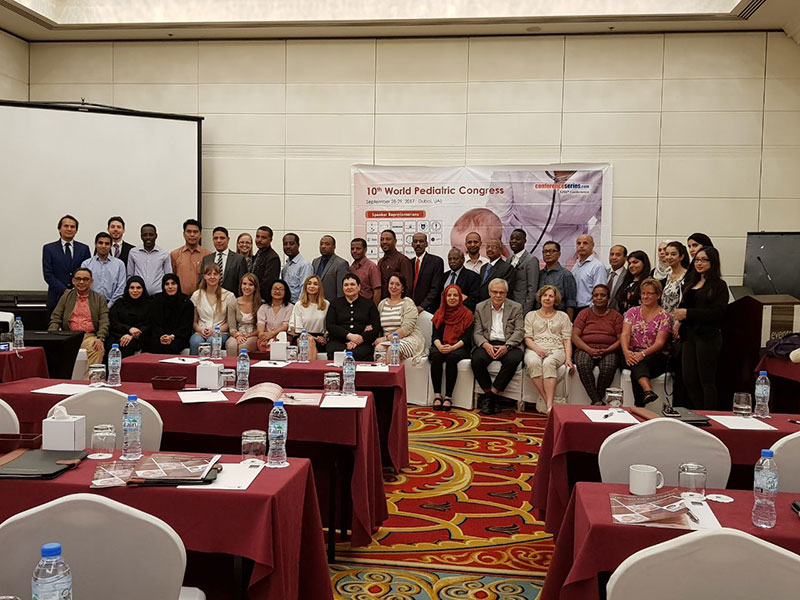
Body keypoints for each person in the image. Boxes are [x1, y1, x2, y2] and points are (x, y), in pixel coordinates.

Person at [673, 247, 729, 410]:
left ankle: (710, 414)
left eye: (704, 260)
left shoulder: (719, 285)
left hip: (708, 336)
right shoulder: (691, 282)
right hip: (689, 335)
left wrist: (688, 314)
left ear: (713, 262)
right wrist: (678, 321)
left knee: (706, 380)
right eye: (697, 260)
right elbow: (684, 306)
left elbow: (718, 312)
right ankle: (699, 411)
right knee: (689, 378)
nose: (699, 263)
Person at [471, 278, 524, 415]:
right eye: (495, 292)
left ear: (506, 293)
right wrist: (486, 345)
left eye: (502, 292)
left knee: (513, 359)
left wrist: (507, 346)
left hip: (509, 343)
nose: (498, 295)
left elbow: (519, 331)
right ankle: (490, 395)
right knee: (477, 359)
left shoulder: (516, 307)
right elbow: (477, 332)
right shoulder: (480, 307)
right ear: (489, 292)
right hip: (487, 342)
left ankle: (491, 397)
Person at [47, 267, 109, 378]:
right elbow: (56, 318)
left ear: (91, 282)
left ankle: (87, 383)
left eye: (85, 279)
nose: (81, 282)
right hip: (68, 336)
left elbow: (104, 321)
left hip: (88, 336)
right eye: (78, 279)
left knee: (97, 348)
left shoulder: (99, 299)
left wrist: (100, 337)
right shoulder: (66, 297)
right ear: (73, 281)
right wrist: (52, 336)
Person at [620, 278, 672, 407]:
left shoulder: (665, 316)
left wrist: (642, 354)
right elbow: (625, 334)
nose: (645, 296)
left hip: (655, 355)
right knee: (635, 362)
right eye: (643, 293)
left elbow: (659, 343)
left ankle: (640, 406)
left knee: (638, 365)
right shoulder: (632, 312)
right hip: (631, 353)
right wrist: (626, 351)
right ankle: (648, 391)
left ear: (658, 295)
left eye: (649, 293)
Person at [524, 285, 574, 414]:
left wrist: (568, 358)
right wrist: (537, 349)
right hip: (534, 348)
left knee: (548, 363)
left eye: (551, 296)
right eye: (545, 295)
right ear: (540, 297)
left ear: (555, 299)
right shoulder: (531, 315)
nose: (547, 298)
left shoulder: (563, 316)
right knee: (533, 362)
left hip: (557, 350)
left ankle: (550, 404)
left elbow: (567, 339)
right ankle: (548, 403)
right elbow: (528, 338)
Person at [572, 284, 623, 405]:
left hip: (609, 350)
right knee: (583, 364)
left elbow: (621, 339)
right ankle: (597, 400)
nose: (599, 298)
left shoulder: (616, 316)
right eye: (596, 295)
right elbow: (574, 336)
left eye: (603, 295)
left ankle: (596, 400)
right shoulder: (584, 313)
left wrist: (607, 350)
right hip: (585, 349)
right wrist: (589, 350)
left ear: (608, 298)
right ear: (592, 297)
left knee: (609, 366)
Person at [429, 284, 474, 411]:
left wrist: (452, 348)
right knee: (436, 356)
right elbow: (435, 336)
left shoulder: (467, 314)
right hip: (441, 345)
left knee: (451, 358)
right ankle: (437, 395)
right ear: (444, 297)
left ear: (460, 297)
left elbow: (466, 338)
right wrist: (440, 346)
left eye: (455, 295)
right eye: (449, 295)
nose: (452, 298)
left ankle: (448, 397)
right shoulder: (439, 313)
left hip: (460, 347)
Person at [326, 273, 382, 360]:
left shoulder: (369, 304)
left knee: (359, 354)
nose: (349, 287)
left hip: (362, 343)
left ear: (359, 287)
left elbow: (375, 327)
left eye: (352, 284)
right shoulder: (335, 303)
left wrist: (360, 339)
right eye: (346, 285)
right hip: (338, 341)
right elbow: (330, 326)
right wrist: (349, 336)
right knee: (336, 353)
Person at [43, 214, 91, 313]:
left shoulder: (84, 249)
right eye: (66, 226)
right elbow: (48, 274)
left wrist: (77, 289)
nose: (69, 229)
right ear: (59, 229)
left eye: (72, 227)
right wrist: (65, 290)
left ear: (76, 230)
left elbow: (87, 273)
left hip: (80, 296)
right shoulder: (49, 249)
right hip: (56, 297)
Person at [374, 272, 426, 363]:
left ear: (402, 288)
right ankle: (382, 373)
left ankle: (393, 373)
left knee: (393, 349)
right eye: (391, 283)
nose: (393, 287)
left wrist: (386, 338)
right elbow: (377, 323)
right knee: (379, 349)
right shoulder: (382, 304)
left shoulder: (408, 303)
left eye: (397, 284)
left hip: (407, 339)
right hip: (388, 340)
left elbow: (407, 328)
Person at [189, 263, 235, 355]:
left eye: (215, 274)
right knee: (196, 342)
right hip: (200, 331)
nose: (212, 277)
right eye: (209, 274)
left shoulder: (229, 296)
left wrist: (215, 331)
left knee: (212, 341)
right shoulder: (197, 295)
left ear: (220, 276)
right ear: (204, 276)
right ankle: (193, 364)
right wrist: (200, 330)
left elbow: (229, 322)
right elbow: (194, 322)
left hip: (221, 332)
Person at [106, 276, 152, 358]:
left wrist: (132, 335)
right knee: (110, 346)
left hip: (140, 336)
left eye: (138, 288)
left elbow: (149, 324)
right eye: (132, 288)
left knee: (127, 345)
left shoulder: (149, 304)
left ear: (143, 289)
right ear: (127, 289)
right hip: (118, 334)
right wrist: (129, 329)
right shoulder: (119, 303)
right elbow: (113, 321)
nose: (135, 291)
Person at [147, 273, 194, 355]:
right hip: (160, 336)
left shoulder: (186, 303)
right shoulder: (157, 301)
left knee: (171, 347)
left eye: (173, 283)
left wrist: (172, 336)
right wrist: (162, 336)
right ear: (163, 286)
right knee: (153, 345)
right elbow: (155, 324)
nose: (170, 287)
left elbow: (185, 327)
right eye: (167, 284)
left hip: (179, 337)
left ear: (178, 285)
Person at [287, 274, 329, 360]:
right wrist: (315, 339)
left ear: (319, 287)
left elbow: (329, 325)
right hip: (302, 336)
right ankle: (310, 366)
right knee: (309, 340)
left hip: (321, 339)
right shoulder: (299, 305)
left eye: (315, 284)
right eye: (309, 284)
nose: (312, 286)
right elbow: (298, 330)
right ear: (305, 287)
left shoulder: (326, 304)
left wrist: (324, 338)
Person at [81, 232, 126, 307]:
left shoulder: (119, 264)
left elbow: (121, 288)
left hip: (113, 306)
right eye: (100, 243)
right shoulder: (86, 264)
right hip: (90, 305)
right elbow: (83, 286)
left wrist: (109, 306)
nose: (103, 246)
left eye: (107, 244)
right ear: (95, 244)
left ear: (111, 246)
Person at [127, 224, 172, 297]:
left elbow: (168, 277)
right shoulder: (133, 252)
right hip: (139, 296)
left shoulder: (164, 254)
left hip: (159, 296)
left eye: (151, 235)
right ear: (141, 236)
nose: (148, 237)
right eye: (145, 235)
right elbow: (130, 275)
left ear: (156, 236)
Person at [201, 226, 248, 296]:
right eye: (216, 238)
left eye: (222, 238)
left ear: (228, 239)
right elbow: (202, 282)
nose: (219, 241)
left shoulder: (239, 259)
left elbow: (243, 283)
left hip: (232, 299)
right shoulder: (206, 259)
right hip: (210, 298)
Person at [225, 272, 262, 356]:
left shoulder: (261, 304)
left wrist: (248, 335)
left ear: (255, 288)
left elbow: (261, 329)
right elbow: (232, 327)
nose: (247, 287)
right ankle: (231, 365)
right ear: (241, 286)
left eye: (250, 284)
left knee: (243, 346)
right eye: (244, 284)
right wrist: (237, 335)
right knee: (231, 345)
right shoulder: (233, 303)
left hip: (253, 334)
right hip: (238, 334)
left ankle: (244, 364)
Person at [171, 219, 211, 296]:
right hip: (180, 298)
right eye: (189, 231)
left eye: (195, 232)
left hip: (201, 297)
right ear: (183, 234)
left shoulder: (208, 255)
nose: (192, 235)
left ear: (200, 234)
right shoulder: (174, 254)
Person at [538, 241, 577, 319]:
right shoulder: (539, 274)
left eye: (552, 251)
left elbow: (570, 302)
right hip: (540, 317)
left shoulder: (566, 275)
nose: (548, 254)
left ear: (559, 254)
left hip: (559, 318)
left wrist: (568, 322)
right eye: (545, 251)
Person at [570, 234, 606, 314]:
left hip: (589, 309)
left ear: (592, 245)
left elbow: (600, 292)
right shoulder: (575, 266)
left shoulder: (597, 266)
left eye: (585, 243)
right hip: (574, 309)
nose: (581, 246)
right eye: (579, 243)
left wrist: (592, 310)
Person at [256, 279, 294, 352]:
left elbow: (286, 326)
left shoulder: (290, 307)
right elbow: (260, 324)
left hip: (283, 338)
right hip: (266, 338)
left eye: (281, 289)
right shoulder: (263, 307)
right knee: (262, 345)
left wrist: (272, 334)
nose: (277, 291)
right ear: (270, 291)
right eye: (275, 289)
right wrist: (262, 336)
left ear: (285, 292)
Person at [410, 233, 444, 314]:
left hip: (429, 310)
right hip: (411, 309)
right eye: (415, 241)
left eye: (421, 241)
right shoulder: (409, 263)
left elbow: (436, 288)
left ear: (426, 244)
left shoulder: (436, 262)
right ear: (412, 244)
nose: (418, 244)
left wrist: (423, 306)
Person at [508, 228, 539, 314]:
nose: (513, 241)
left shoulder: (531, 260)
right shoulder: (509, 259)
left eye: (517, 239)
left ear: (524, 241)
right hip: (509, 305)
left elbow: (532, 289)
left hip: (522, 306)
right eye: (511, 239)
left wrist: (525, 311)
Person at [377, 230, 414, 300]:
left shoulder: (402, 260)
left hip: (398, 302)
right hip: (384, 302)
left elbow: (408, 286)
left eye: (388, 239)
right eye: (382, 239)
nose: (384, 242)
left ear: (395, 241)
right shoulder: (380, 262)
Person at [312, 235, 349, 301]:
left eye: (327, 244)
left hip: (332, 303)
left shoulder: (341, 264)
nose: (323, 246)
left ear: (334, 247)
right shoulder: (315, 262)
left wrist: (339, 304)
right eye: (321, 244)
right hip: (315, 301)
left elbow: (341, 290)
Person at [615, 250, 652, 315]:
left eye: (635, 262)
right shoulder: (627, 282)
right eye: (629, 263)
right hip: (624, 319)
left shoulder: (649, 283)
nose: (631, 266)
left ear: (644, 263)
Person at [281, 233, 313, 303]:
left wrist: (298, 307)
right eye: (285, 244)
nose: (288, 246)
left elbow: (304, 290)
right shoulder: (285, 267)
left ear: (298, 245)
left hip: (297, 305)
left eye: (291, 244)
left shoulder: (305, 265)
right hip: (286, 305)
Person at [252, 225, 281, 300]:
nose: (259, 240)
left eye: (263, 238)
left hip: (262, 299)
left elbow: (268, 284)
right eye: (257, 236)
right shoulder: (259, 253)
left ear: (270, 240)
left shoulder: (273, 258)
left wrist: (255, 295)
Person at [349, 237, 381, 304]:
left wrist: (374, 308)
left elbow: (377, 291)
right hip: (352, 305)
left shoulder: (372, 267)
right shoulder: (351, 268)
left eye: (358, 248)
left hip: (367, 305)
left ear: (365, 250)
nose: (354, 251)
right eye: (352, 249)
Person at [660, 241, 690, 313]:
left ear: (681, 257)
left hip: (680, 317)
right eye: (667, 254)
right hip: (665, 317)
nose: (669, 257)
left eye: (673, 254)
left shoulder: (687, 276)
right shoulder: (667, 275)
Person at [606, 244, 627, 310]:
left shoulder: (628, 276)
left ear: (625, 258)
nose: (614, 257)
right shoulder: (603, 272)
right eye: (612, 254)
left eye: (618, 255)